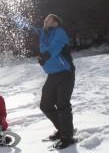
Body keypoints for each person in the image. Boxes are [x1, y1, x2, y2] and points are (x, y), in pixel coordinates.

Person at [14, 14, 76, 149]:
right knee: (45, 105)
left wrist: (45, 56)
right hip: (52, 75)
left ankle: (67, 137)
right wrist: (13, 18)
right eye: (45, 19)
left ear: (55, 23)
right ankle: (64, 129)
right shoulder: (43, 33)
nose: (44, 20)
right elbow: (29, 28)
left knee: (62, 104)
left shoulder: (60, 32)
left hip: (65, 73)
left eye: (48, 19)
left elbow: (56, 47)